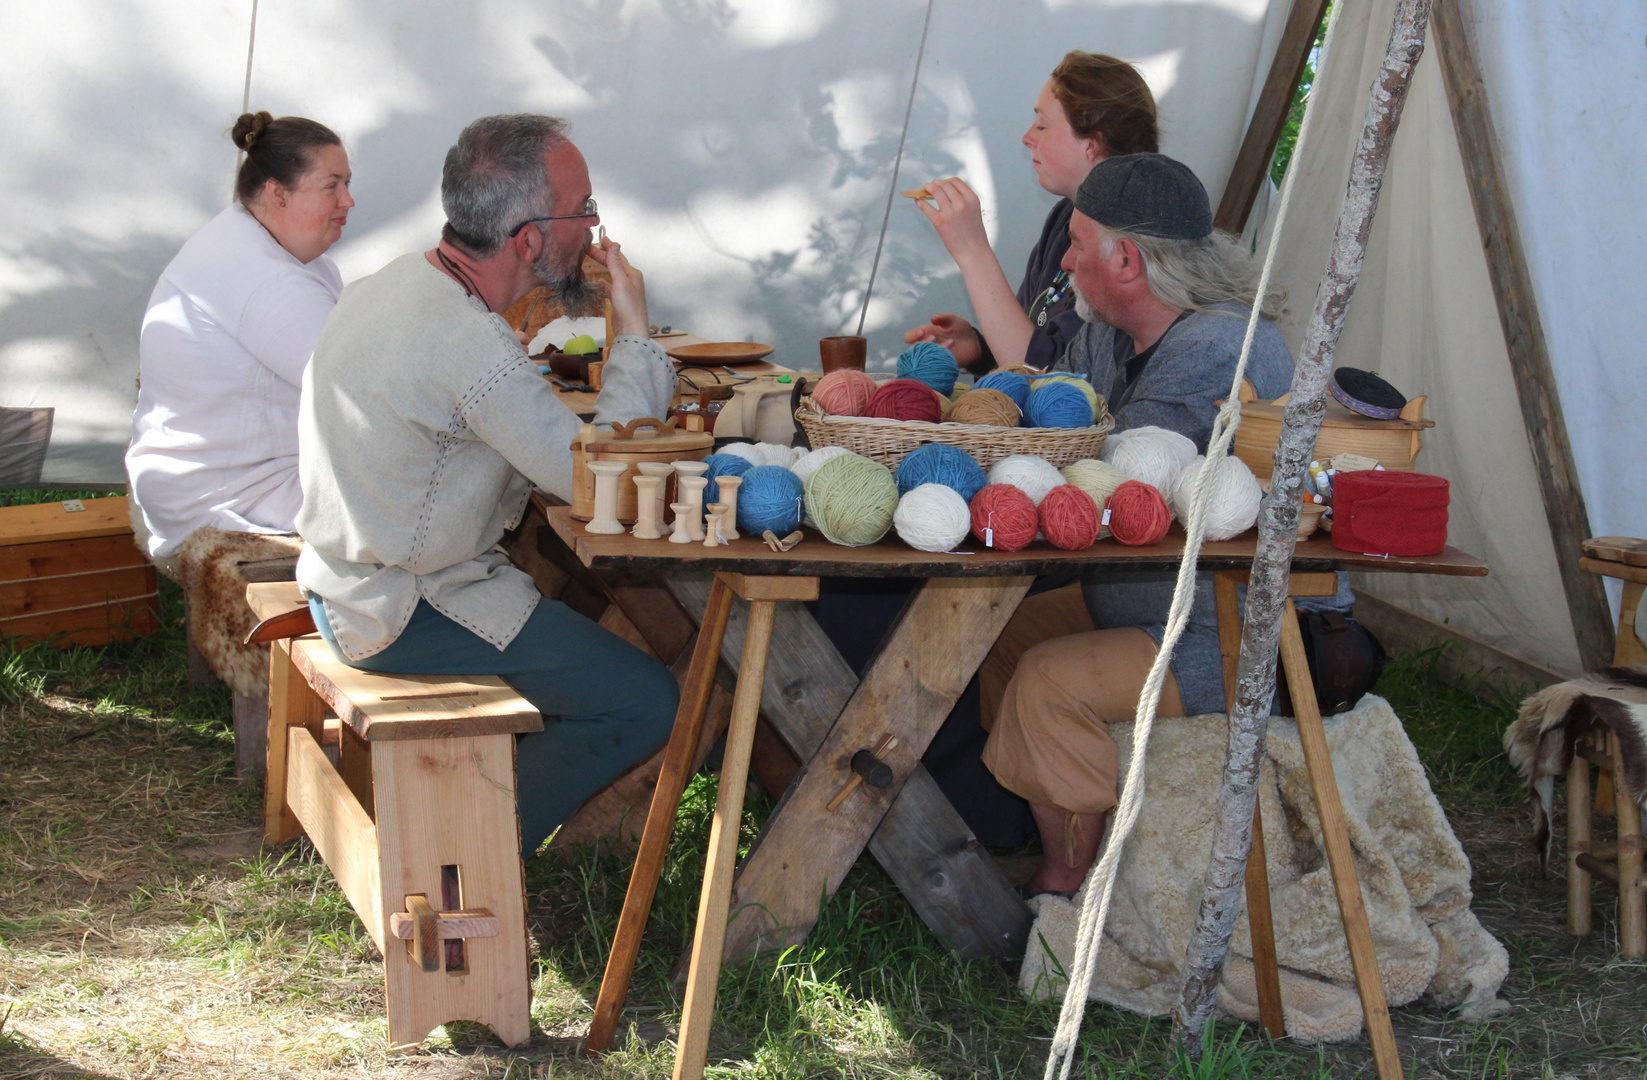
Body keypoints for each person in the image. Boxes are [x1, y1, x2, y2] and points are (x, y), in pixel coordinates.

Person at [295, 114, 680, 855]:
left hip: (345, 578)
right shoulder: (468, 344)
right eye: (583, 209)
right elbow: (606, 480)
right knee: (641, 701)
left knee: (566, 612)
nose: (594, 227)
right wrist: (633, 330)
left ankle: (464, 827)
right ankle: (457, 853)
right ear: (530, 238)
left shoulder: (397, 282)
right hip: (402, 608)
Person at [981, 153, 1301, 896]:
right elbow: (1061, 432)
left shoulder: (1219, 348)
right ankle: (1049, 831)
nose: (1062, 259)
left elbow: (1108, 480)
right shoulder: (1106, 335)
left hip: (1230, 632)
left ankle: (1072, 891)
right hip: (1149, 603)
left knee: (1044, 679)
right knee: (998, 639)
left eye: (1077, 242)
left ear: (1125, 259)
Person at [127, 111, 354, 558]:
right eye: (332, 185)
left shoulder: (255, 243)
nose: (348, 200)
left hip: (202, 476)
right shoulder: (263, 278)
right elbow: (357, 389)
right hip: (225, 497)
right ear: (278, 193)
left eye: (347, 183)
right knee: (423, 496)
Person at [903, 52, 1158, 376]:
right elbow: (1028, 345)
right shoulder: (1064, 218)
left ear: (1092, 143)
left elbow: (1051, 379)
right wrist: (981, 350)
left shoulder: (1126, 240)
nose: (1027, 138)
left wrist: (972, 252)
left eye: (1042, 125)